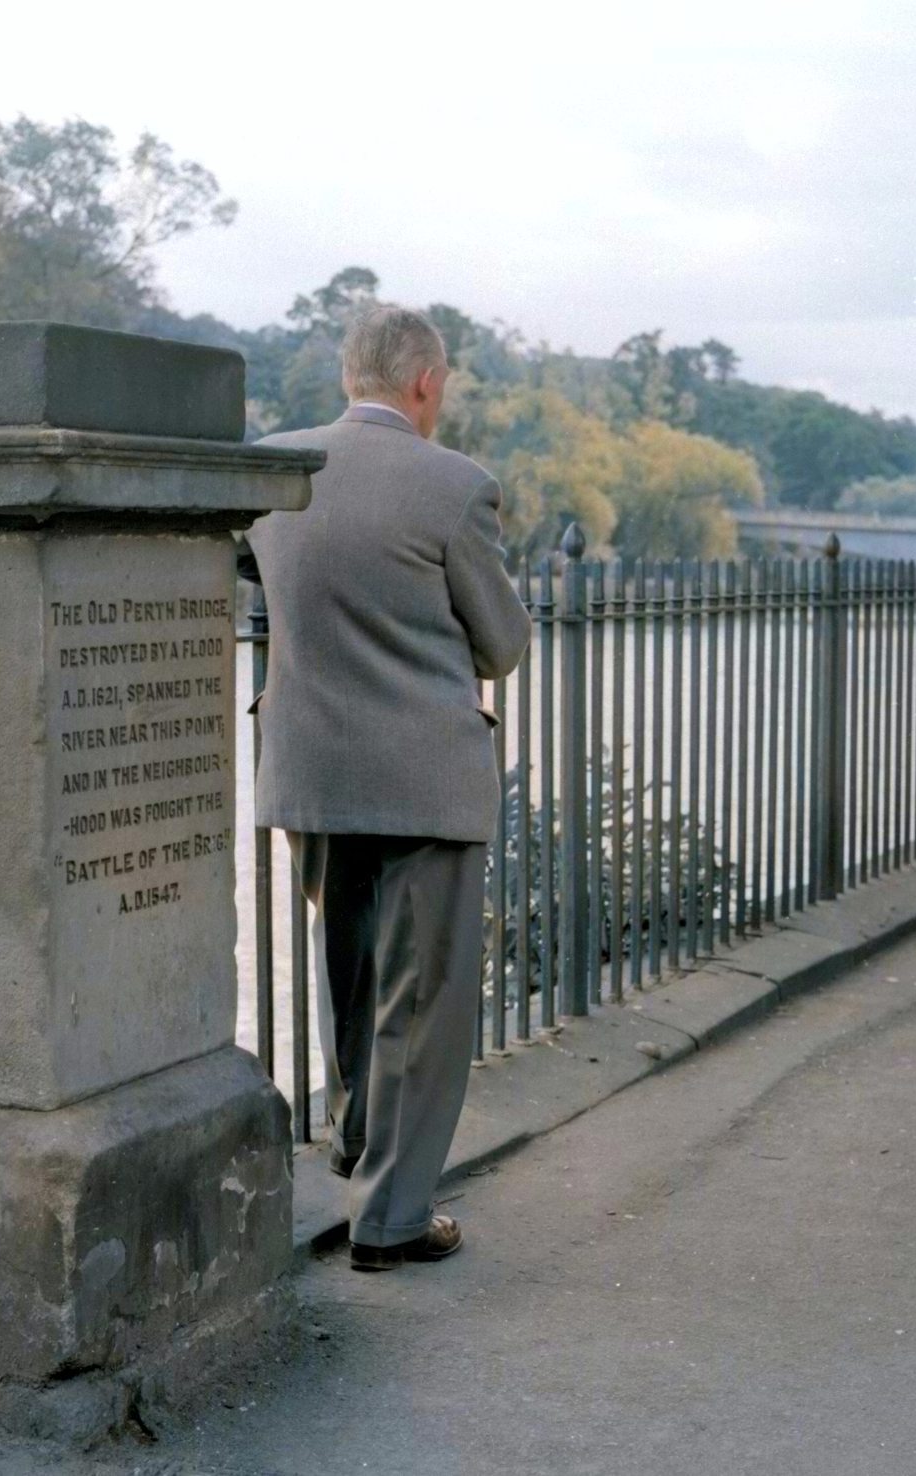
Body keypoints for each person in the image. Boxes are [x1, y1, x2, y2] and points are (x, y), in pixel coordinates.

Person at [239, 305, 531, 1271]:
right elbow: (502, 645)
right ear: (424, 384)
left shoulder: (272, 471)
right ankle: (392, 1218)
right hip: (423, 779)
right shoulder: (454, 487)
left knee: (350, 973)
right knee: (426, 994)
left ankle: (356, 1145)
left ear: (344, 380)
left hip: (311, 766)